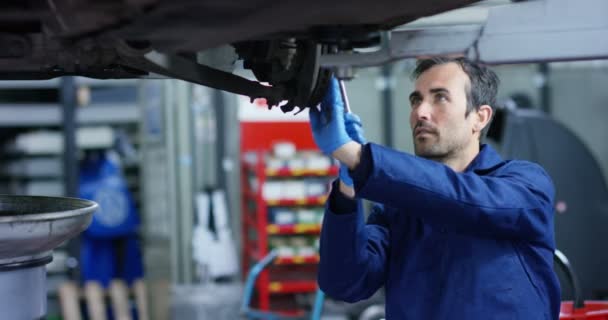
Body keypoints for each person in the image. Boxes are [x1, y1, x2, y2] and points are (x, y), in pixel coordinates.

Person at [308, 57, 561, 319]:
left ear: (480, 117)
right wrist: (348, 189)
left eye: (440, 97)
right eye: (416, 100)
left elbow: (466, 200)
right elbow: (345, 282)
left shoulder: (526, 184)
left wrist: (360, 159)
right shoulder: (396, 208)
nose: (420, 112)